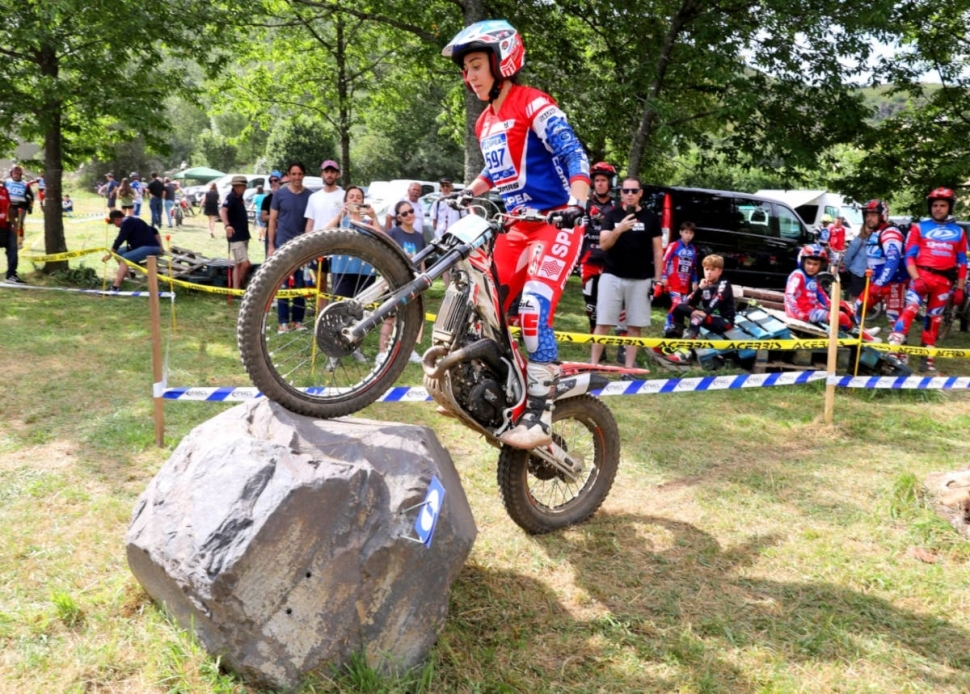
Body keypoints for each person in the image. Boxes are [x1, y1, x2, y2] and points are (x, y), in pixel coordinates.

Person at [443, 19, 590, 448]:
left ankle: (541, 415)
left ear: (501, 61)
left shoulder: (534, 103)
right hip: (516, 227)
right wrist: (470, 191)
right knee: (481, 306)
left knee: (531, 310)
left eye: (475, 66)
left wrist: (577, 203)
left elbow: (573, 152)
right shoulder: (485, 122)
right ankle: (492, 391)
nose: (469, 76)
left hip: (556, 224)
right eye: (466, 70)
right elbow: (497, 168)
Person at [889, 187, 968, 373]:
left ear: (950, 207)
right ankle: (893, 350)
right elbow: (909, 256)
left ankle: (927, 360)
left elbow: (963, 262)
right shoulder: (919, 228)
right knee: (910, 309)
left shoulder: (959, 232)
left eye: (942, 205)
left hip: (944, 283)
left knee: (935, 319)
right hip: (921, 277)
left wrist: (960, 288)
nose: (938, 208)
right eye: (935, 205)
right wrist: (916, 278)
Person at [588, 177, 663, 372]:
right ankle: (593, 366)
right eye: (626, 190)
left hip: (641, 278)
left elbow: (658, 251)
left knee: (635, 326)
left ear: (640, 193)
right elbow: (604, 245)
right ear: (621, 193)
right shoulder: (611, 215)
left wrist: (658, 280)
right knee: (603, 322)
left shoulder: (651, 218)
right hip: (612, 275)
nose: (630, 194)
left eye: (634, 191)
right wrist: (619, 229)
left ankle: (628, 369)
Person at [322, 185, 381, 369]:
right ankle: (333, 353)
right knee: (338, 311)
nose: (355, 199)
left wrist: (374, 217)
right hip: (343, 270)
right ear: (346, 200)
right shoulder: (342, 221)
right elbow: (324, 231)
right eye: (351, 196)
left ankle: (354, 347)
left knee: (358, 314)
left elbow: (382, 238)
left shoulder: (368, 223)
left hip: (365, 272)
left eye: (358, 197)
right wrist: (340, 214)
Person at [578, 161, 626, 362]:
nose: (599, 184)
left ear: (610, 183)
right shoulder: (584, 205)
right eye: (596, 180)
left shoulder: (618, 207)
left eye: (603, 180)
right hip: (589, 261)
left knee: (620, 303)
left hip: (612, 262)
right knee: (591, 306)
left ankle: (623, 346)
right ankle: (599, 346)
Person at [268, 161, 314, 334]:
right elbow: (272, 220)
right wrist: (271, 245)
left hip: (302, 246)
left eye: (299, 174)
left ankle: (298, 321)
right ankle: (282, 322)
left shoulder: (310, 196)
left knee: (300, 284)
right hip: (282, 245)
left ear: (303, 175)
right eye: (293, 174)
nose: (296, 177)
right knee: (282, 284)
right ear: (288, 175)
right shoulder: (279, 194)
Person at [665, 254, 736, 363]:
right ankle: (674, 341)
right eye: (706, 269)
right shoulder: (704, 284)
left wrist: (705, 312)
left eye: (713, 269)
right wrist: (700, 288)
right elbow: (689, 302)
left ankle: (686, 353)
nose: (709, 272)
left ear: (720, 271)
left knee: (697, 317)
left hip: (724, 321)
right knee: (679, 308)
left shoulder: (724, 283)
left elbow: (718, 299)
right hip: (709, 317)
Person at [381, 200, 427, 365]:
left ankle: (409, 350)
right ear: (399, 217)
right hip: (395, 281)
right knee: (390, 317)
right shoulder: (393, 233)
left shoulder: (419, 236)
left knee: (411, 319)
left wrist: (423, 278)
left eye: (411, 211)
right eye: (404, 213)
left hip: (413, 282)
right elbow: (386, 256)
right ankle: (382, 352)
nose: (409, 215)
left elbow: (422, 261)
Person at [852, 199, 907, 323]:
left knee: (894, 318)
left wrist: (880, 282)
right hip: (877, 282)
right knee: (857, 310)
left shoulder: (890, 232)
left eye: (873, 215)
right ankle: (859, 333)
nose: (869, 218)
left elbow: (893, 260)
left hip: (894, 282)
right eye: (867, 215)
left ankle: (899, 336)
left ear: (882, 215)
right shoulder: (874, 232)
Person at [784, 244, 853, 330]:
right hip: (802, 313)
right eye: (808, 263)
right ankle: (852, 332)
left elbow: (821, 295)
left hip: (811, 310)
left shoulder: (813, 278)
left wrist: (834, 305)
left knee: (844, 307)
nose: (811, 267)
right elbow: (789, 295)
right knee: (840, 316)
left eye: (815, 264)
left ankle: (855, 329)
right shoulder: (798, 275)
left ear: (821, 265)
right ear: (802, 262)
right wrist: (799, 313)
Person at [101, 210, 163, 291]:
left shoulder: (127, 223)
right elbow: (153, 230)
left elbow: (119, 240)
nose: (116, 226)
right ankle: (127, 274)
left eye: (114, 223)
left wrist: (109, 255)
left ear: (116, 219)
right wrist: (160, 246)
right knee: (118, 252)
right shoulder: (131, 220)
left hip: (149, 247)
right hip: (143, 246)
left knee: (125, 258)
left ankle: (116, 287)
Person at [659, 221, 699, 336]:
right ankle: (667, 327)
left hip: (684, 285)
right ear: (681, 232)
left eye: (691, 233)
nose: (688, 235)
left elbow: (694, 267)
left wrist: (695, 281)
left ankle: (677, 328)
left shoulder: (693, 249)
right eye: (686, 232)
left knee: (681, 307)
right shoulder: (674, 245)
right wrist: (664, 276)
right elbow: (665, 260)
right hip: (673, 282)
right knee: (677, 303)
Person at [429, 177, 466, 286]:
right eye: (443, 186)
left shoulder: (458, 201)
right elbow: (434, 221)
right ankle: (447, 288)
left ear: (451, 187)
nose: (445, 188)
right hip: (442, 236)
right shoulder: (437, 202)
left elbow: (464, 218)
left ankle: (460, 286)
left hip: (455, 236)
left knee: (457, 263)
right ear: (440, 187)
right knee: (444, 265)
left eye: (447, 185)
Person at [220, 175, 251, 290]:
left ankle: (236, 288)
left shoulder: (240, 198)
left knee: (238, 264)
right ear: (236, 186)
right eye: (243, 186)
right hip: (236, 236)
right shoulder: (231, 197)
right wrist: (227, 225)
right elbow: (223, 211)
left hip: (243, 235)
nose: (245, 188)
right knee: (245, 264)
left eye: (245, 185)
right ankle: (242, 286)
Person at [305, 160, 344, 233]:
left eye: (332, 172)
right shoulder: (313, 197)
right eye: (326, 172)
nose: (329, 175)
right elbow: (309, 225)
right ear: (322, 175)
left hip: (337, 239)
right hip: (317, 239)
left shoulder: (345, 196)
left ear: (337, 175)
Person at [0, 178, 23, 284]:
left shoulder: (4, 191)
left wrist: (14, 224)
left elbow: (9, 208)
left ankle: (11, 275)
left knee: (13, 249)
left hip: (6, 226)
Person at [5, 165, 33, 250]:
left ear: (20, 174)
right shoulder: (7, 182)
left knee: (20, 223)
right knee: (9, 223)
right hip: (10, 205)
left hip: (22, 205)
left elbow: (31, 196)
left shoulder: (25, 184)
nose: (15, 175)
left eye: (17, 173)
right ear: (11, 173)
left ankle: (20, 242)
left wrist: (30, 207)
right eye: (14, 173)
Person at [260, 171, 282, 255]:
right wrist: (274, 216)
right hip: (271, 233)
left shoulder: (285, 197)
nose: (273, 182)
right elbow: (263, 217)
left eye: (275, 180)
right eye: (271, 181)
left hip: (283, 232)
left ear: (280, 181)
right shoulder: (267, 199)